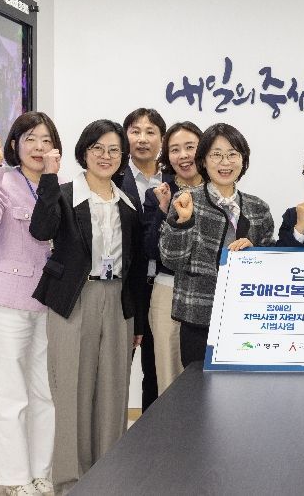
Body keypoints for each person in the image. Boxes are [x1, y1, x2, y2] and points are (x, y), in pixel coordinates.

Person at [29, 119, 145, 493]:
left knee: (113, 391)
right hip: (74, 299)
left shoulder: (128, 203)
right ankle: (70, 481)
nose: (105, 156)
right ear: (84, 152)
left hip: (117, 301)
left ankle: (108, 476)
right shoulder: (64, 194)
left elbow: (136, 266)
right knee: (72, 391)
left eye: (114, 150)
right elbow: (41, 230)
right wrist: (48, 176)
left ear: (122, 156)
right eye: (98, 148)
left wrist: (138, 321)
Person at [0, 112, 60, 496]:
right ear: (15, 144)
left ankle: (41, 471)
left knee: (44, 393)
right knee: (11, 395)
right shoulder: (5, 179)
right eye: (30, 139)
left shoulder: (56, 185)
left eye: (46, 140)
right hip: (8, 300)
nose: (38, 147)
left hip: (47, 302)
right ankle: (14, 477)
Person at [159, 123, 275, 367]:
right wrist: (183, 222)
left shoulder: (258, 208)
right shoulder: (187, 200)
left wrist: (254, 253)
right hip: (198, 316)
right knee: (197, 387)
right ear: (203, 160)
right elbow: (171, 259)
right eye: (216, 155)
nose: (225, 162)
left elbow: (270, 267)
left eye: (233, 154)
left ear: (243, 160)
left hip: (246, 320)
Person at [142, 121, 203, 393]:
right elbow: (150, 251)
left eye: (190, 147)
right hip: (168, 290)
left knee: (206, 379)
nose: (183, 155)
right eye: (175, 150)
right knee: (168, 377)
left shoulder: (219, 191)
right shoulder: (158, 194)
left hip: (208, 292)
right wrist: (163, 210)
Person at [114, 107, 167, 411]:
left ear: (162, 138)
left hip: (163, 287)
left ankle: (153, 434)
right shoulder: (113, 177)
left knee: (157, 373)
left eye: (150, 132)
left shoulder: (174, 179)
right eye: (135, 131)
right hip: (126, 288)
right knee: (117, 371)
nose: (142, 139)